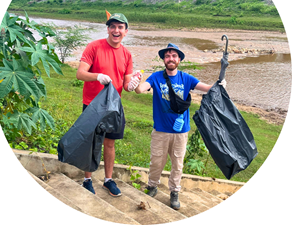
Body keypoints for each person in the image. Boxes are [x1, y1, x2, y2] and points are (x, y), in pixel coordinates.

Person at [133, 43, 226, 210]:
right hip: (160, 130)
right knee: (156, 162)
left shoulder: (186, 78)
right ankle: (152, 186)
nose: (170, 59)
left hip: (180, 132)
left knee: (177, 163)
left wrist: (219, 84)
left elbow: (207, 89)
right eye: (167, 56)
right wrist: (135, 84)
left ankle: (174, 192)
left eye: (174, 56)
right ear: (163, 59)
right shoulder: (155, 77)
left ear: (179, 59)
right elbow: (141, 89)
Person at [76, 13, 139, 197]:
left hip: (113, 106)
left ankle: (108, 180)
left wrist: (132, 84)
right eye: (113, 26)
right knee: (91, 143)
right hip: (93, 105)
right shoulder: (94, 47)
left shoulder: (127, 54)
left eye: (120, 27)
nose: (116, 30)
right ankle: (87, 180)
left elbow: (126, 85)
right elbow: (80, 73)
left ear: (126, 31)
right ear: (108, 29)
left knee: (109, 144)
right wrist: (97, 76)